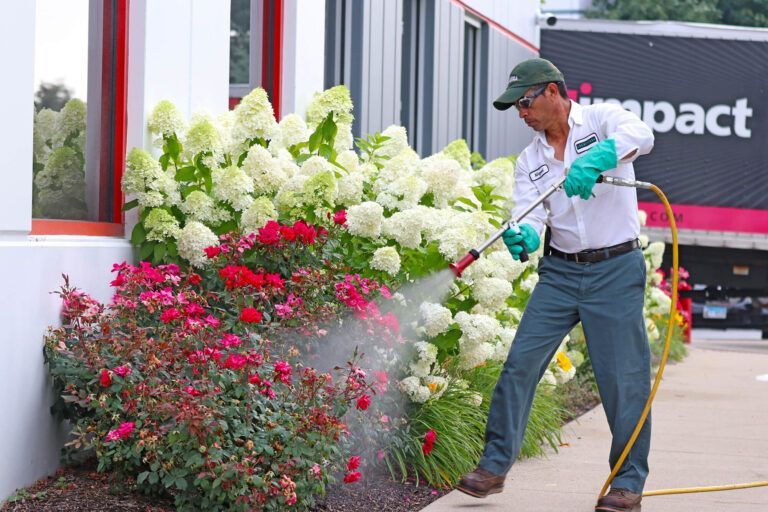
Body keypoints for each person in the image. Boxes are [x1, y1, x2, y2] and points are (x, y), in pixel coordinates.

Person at [456, 58, 654, 512]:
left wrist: (602, 155)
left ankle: (627, 484)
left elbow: (642, 135)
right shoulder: (531, 160)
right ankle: (493, 466)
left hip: (616, 268)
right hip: (560, 273)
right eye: (514, 108)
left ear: (550, 91)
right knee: (520, 364)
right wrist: (522, 234)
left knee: (623, 382)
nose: (521, 113)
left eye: (524, 102)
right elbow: (529, 213)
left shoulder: (601, 119)